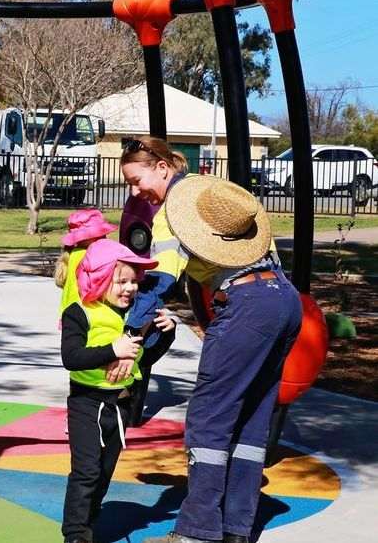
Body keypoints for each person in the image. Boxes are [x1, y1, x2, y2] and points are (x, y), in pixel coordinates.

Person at [118, 139, 303, 543]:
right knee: (251, 417)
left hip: (247, 306)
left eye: (136, 180)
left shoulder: (175, 212)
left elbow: (159, 282)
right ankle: (237, 528)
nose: (136, 192)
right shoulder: (219, 198)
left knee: (209, 420)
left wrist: (131, 331)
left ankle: (196, 533)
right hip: (284, 300)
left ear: (163, 167)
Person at [60, 239, 175, 543]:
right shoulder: (80, 313)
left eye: (134, 282)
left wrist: (166, 334)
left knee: (104, 473)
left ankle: (89, 521)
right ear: (99, 279)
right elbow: (70, 357)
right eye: (121, 281)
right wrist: (112, 349)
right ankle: (75, 535)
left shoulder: (131, 318)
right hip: (87, 404)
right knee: (86, 472)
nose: (130, 288)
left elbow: (143, 358)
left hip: (120, 407)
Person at [54, 209, 118, 316]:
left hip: (70, 311)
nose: (103, 237)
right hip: (86, 314)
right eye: (98, 235)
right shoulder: (88, 255)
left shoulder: (73, 253)